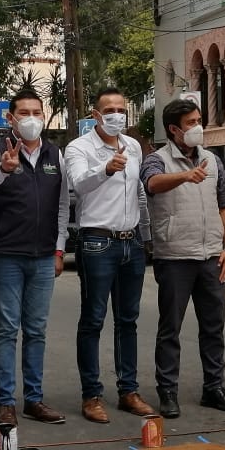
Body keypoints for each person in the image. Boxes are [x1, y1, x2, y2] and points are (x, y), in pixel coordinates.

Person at [142, 99, 225, 418]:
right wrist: (184, 177)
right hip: (174, 257)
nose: (198, 127)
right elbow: (152, 184)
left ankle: (214, 387)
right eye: (190, 122)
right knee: (170, 327)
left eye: (199, 120)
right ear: (173, 129)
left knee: (213, 327)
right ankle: (167, 390)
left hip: (211, 255)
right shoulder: (157, 159)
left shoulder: (212, 160)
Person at [0, 89, 69, 425]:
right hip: (6, 256)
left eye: (37, 112)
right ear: (10, 118)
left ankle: (34, 399)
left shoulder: (55, 154)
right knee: (6, 330)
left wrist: (59, 248)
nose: (32, 119)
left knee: (37, 330)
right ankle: (6, 402)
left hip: (44, 256)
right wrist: (3, 168)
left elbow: (61, 205)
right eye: (24, 113)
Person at [65, 88, 154, 423]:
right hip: (97, 242)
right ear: (96, 114)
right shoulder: (79, 147)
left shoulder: (132, 146)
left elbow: (140, 195)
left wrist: (147, 237)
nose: (117, 115)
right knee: (93, 320)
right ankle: (92, 396)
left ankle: (128, 390)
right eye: (109, 109)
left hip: (131, 242)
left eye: (121, 108)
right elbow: (77, 186)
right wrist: (105, 169)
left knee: (127, 320)